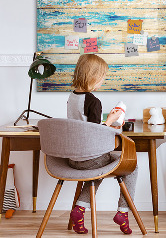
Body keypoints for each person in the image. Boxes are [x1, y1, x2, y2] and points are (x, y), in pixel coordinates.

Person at [67, 54, 138, 235]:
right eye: (102, 77)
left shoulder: (72, 97)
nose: (102, 81)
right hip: (90, 158)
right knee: (132, 166)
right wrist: (111, 121)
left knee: (97, 170)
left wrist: (109, 122)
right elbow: (95, 133)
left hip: (73, 158)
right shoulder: (93, 101)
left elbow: (84, 127)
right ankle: (123, 212)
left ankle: (80, 210)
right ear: (92, 76)